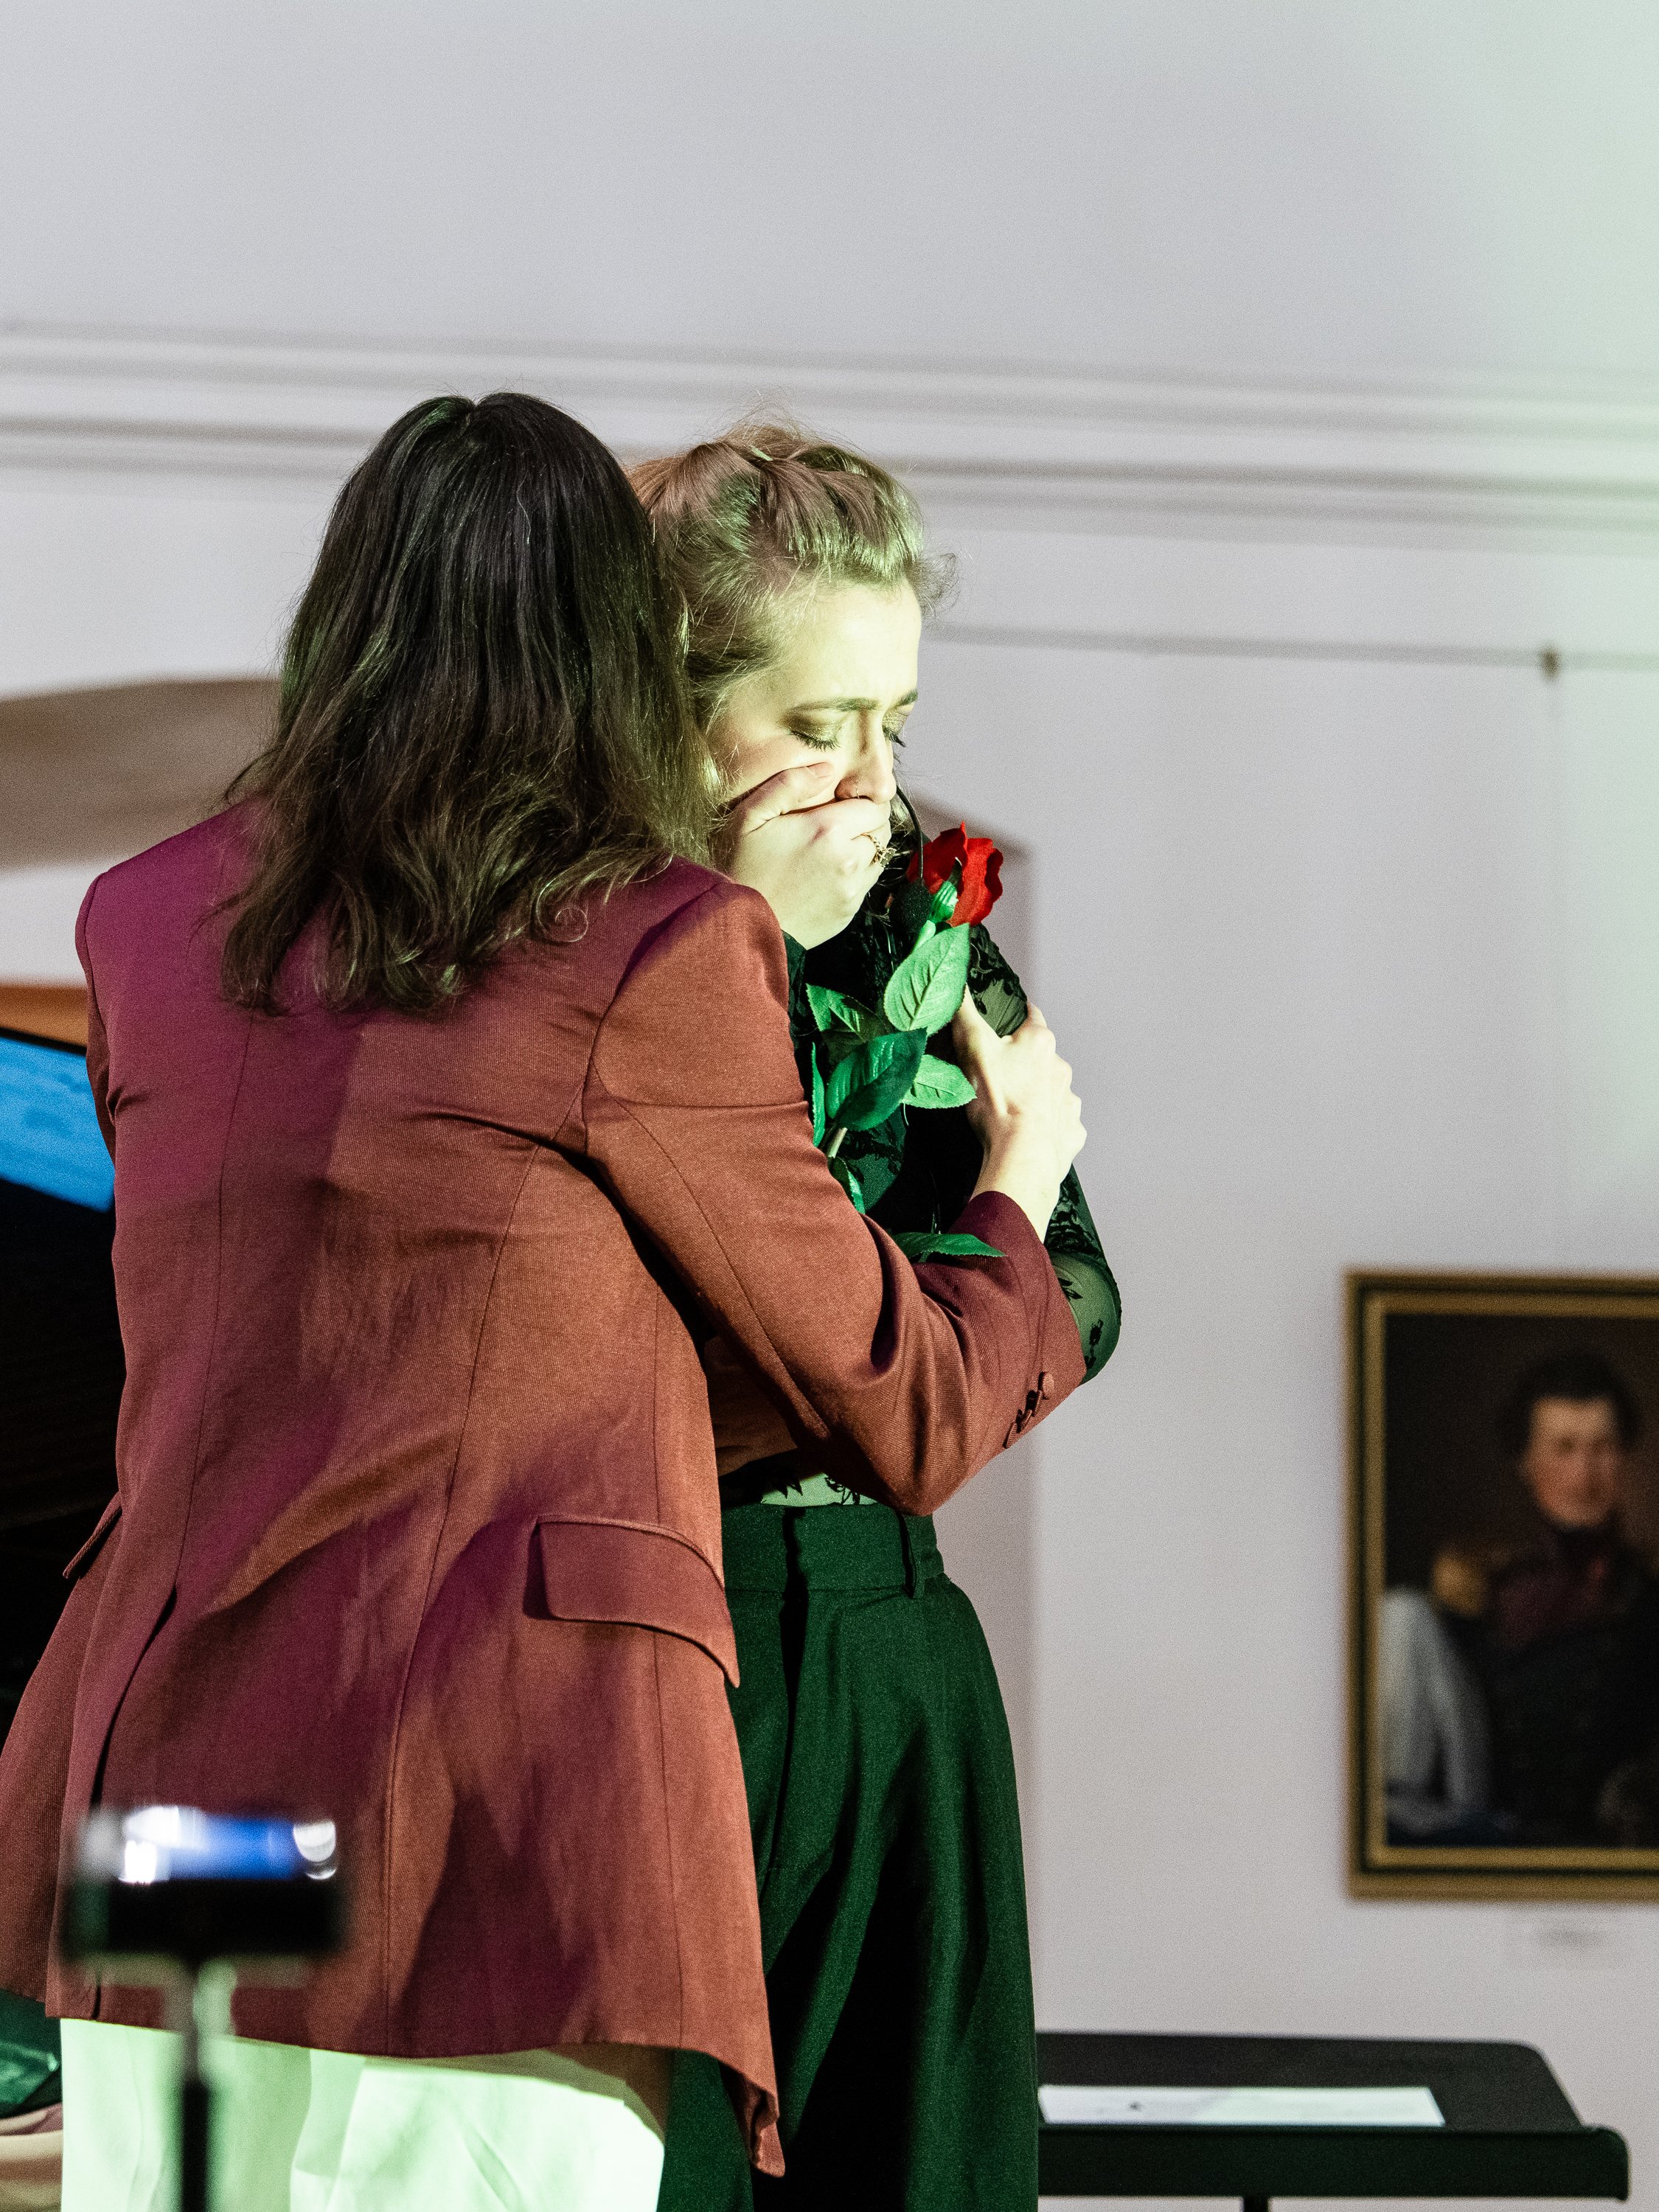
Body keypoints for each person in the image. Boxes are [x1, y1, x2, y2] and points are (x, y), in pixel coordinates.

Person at [0, 394, 1089, 2212]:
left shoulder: (139, 922)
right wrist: (1010, 1194)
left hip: (168, 1778)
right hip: (479, 1809)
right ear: (618, 649)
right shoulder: (651, 943)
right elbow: (906, 1400)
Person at [634, 425, 1119, 2211]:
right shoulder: (572, 959)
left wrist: (872, 1370)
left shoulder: (923, 920)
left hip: (899, 1658)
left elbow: (1081, 1286)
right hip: (647, 1655)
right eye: (819, 721)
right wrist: (898, 1357)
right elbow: (575, 1348)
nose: (874, 779)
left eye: (893, 721)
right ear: (676, 707)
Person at [1430, 1352, 1659, 1845]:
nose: (1584, 1473)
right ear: (1525, 1462)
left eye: (1602, 1447)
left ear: (1623, 1458)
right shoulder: (1476, 1588)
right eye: (1564, 1448)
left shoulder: (1648, 1597)